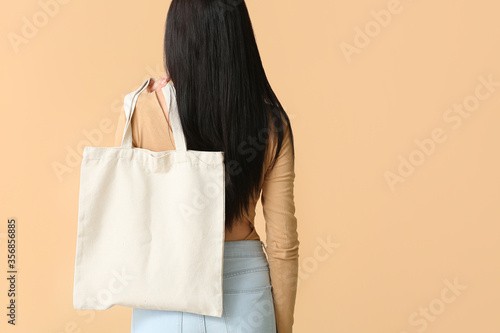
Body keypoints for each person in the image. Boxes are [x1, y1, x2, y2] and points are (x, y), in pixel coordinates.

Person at [114, 1, 299, 332]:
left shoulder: (142, 108)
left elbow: (122, 213)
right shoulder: (271, 123)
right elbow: (283, 246)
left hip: (162, 295)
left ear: (177, 38)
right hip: (245, 297)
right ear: (239, 38)